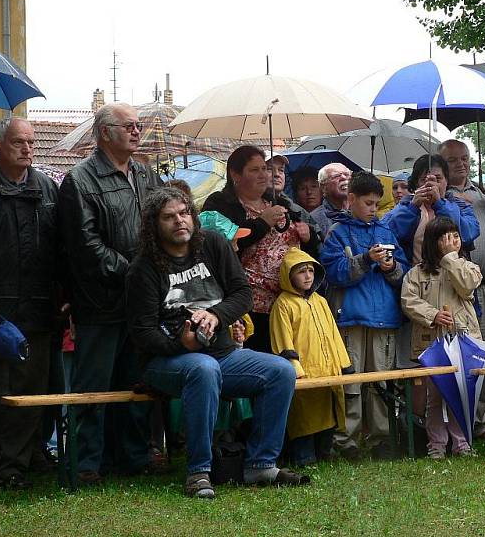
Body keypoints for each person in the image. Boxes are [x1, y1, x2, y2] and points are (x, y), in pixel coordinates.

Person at [127, 187, 307, 498]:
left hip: (222, 354)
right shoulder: (143, 268)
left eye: (184, 213)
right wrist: (181, 344)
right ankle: (199, 472)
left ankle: (260, 464)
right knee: (203, 367)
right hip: (165, 363)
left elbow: (242, 294)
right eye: (169, 217)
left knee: (281, 371)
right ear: (154, 225)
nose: (179, 221)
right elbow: (142, 333)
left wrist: (216, 316)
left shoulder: (212, 243)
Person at [58, 103, 163, 483]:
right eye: (129, 126)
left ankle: (132, 457)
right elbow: (85, 247)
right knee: (94, 387)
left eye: (139, 125)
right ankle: (87, 463)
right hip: (100, 303)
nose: (138, 131)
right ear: (105, 133)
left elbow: (161, 225)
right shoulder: (80, 180)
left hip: (142, 304)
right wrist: (136, 272)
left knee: (135, 384)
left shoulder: (146, 174)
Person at [0, 117, 62, 488]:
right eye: (19, 142)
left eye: (31, 142)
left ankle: (14, 467)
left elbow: (62, 250)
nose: (28, 148)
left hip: (39, 311)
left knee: (30, 394)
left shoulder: (47, 188)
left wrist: (64, 299)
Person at [320, 171, 409, 459]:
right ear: (351, 199)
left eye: (376, 203)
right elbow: (333, 274)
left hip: (384, 317)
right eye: (368, 203)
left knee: (381, 380)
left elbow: (403, 274)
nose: (373, 208)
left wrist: (390, 267)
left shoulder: (386, 233)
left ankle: (381, 438)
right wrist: (364, 259)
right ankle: (346, 440)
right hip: (350, 317)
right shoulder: (337, 233)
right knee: (352, 381)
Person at [202, 145, 319, 354]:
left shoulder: (281, 202)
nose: (263, 175)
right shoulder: (220, 204)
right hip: (249, 306)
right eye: (254, 170)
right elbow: (222, 245)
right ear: (235, 174)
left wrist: (309, 237)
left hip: (288, 303)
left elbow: (310, 248)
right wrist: (262, 223)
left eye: (264, 168)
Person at [401, 217, 482, 459]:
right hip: (431, 343)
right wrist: (433, 315)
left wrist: (450, 258)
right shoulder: (416, 273)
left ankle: (462, 443)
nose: (451, 242)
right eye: (445, 238)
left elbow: (468, 286)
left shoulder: (467, 267)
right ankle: (436, 444)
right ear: (432, 242)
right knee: (433, 398)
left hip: (462, 342)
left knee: (460, 394)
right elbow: (409, 301)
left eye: (455, 237)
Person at [438, 139, 485, 441]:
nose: (461, 164)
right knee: (459, 356)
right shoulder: (443, 198)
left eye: (465, 159)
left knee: (484, 355)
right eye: (453, 160)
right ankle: (457, 423)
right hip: (455, 291)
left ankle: (481, 421)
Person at [270, 248, 353, 466]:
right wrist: (293, 369)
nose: (308, 276)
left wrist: (344, 363)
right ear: (289, 275)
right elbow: (282, 340)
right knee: (304, 419)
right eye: (301, 272)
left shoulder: (320, 301)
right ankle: (303, 457)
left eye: (310, 271)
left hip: (328, 371)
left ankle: (324, 452)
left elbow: (334, 334)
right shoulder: (283, 304)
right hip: (304, 374)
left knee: (328, 416)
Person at [384, 154, 480, 266]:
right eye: (424, 180)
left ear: (447, 181)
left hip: (451, 277)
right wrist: (412, 209)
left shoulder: (460, 206)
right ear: (416, 183)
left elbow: (467, 235)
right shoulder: (404, 207)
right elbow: (388, 235)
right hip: (415, 279)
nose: (431, 185)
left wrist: (440, 205)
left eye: (438, 179)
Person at [311, 163, 352, 237]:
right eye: (336, 176)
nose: (343, 177)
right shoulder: (315, 219)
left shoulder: (362, 211)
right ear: (323, 187)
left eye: (346, 174)